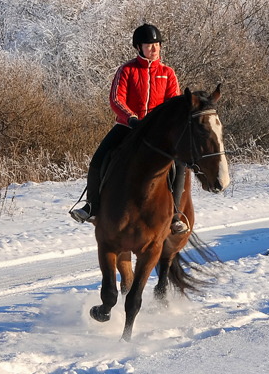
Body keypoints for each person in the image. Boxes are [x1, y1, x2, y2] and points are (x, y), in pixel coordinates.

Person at [70, 23, 189, 234]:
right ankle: (91, 206)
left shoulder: (168, 73)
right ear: (138, 47)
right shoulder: (127, 70)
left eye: (156, 45)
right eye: (148, 45)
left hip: (158, 133)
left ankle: (176, 214)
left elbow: (174, 104)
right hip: (128, 127)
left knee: (179, 164)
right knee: (99, 157)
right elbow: (116, 99)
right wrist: (131, 118)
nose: (153, 49)